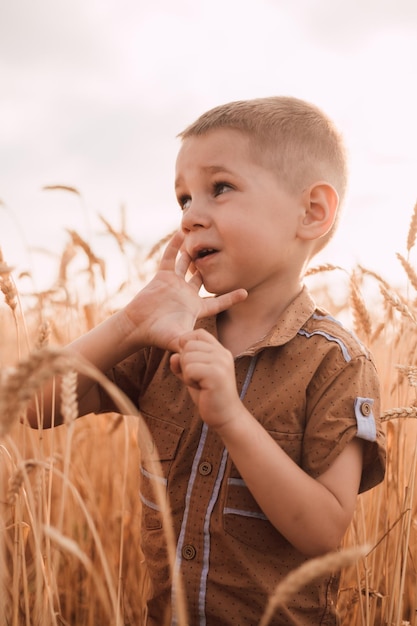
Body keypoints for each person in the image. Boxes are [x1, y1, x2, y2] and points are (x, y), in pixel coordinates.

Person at [29, 96, 386, 625]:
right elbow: (34, 407)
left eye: (220, 188)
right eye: (183, 199)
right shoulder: (164, 340)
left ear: (311, 212)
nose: (192, 216)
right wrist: (129, 325)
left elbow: (324, 531)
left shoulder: (337, 362)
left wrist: (231, 418)